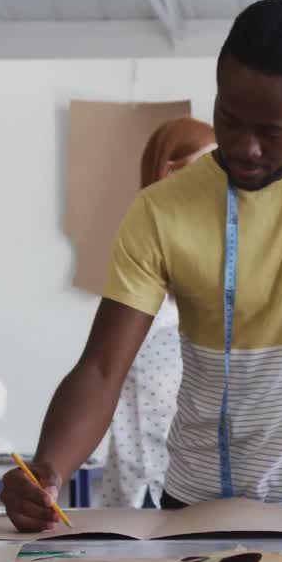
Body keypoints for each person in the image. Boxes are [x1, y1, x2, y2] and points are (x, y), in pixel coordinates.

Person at [1, 0, 282, 532]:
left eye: (271, 132)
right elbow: (102, 368)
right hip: (198, 511)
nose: (245, 147)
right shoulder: (160, 210)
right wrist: (48, 469)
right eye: (229, 120)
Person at [100, 117, 217, 509]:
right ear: (169, 174)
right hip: (144, 484)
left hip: (204, 487)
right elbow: (100, 374)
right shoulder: (138, 272)